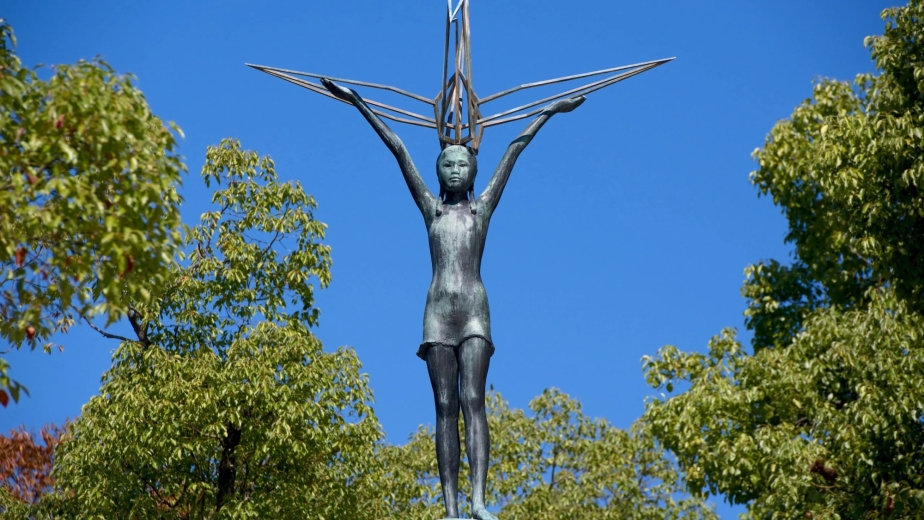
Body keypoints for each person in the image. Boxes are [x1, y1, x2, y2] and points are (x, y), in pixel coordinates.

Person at [321, 78, 583, 520]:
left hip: (475, 312)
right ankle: (451, 509)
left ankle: (478, 501)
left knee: (473, 400)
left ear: (474, 171)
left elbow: (514, 150)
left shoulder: (481, 210)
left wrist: (551, 110)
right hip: (438, 315)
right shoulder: (432, 210)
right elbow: (399, 150)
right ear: (440, 171)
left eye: (463, 163)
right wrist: (358, 103)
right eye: (448, 164)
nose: (456, 169)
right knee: (444, 406)